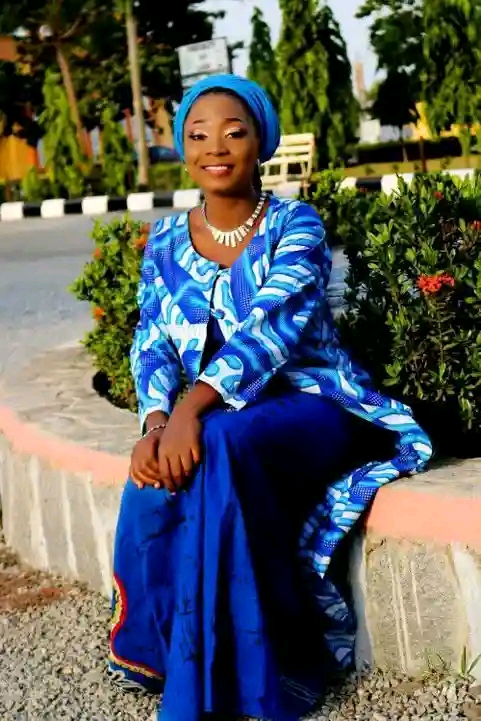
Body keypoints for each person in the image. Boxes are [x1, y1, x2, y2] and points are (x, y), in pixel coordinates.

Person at [107, 74, 432, 721]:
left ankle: (263, 674)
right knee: (167, 466)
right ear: (183, 149)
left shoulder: (295, 224)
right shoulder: (165, 241)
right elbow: (151, 341)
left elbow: (271, 329)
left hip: (316, 404)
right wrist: (155, 421)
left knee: (218, 441)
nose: (215, 146)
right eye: (197, 135)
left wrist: (190, 411)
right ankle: (165, 654)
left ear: (261, 142)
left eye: (234, 131)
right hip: (219, 415)